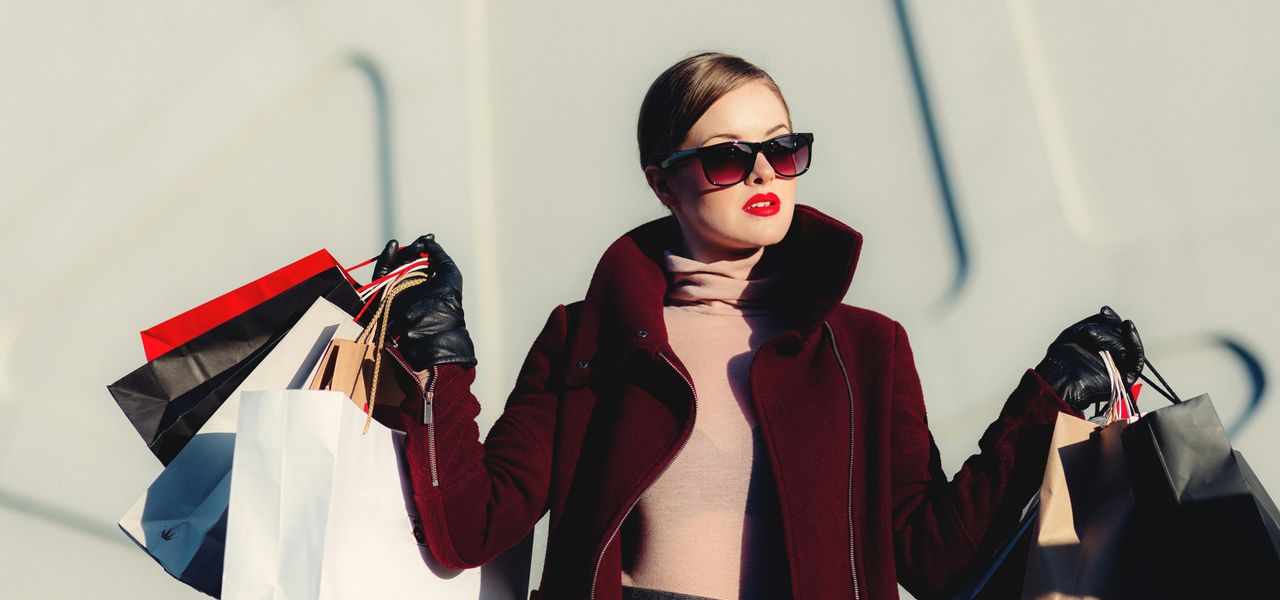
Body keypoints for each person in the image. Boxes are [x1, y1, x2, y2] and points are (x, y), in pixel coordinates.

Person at [370, 52, 1145, 600]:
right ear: (661, 180)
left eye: (783, 147)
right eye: (727, 158)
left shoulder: (867, 350)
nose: (767, 172)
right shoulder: (589, 338)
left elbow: (933, 558)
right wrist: (441, 358)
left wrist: (1048, 398)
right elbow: (471, 528)